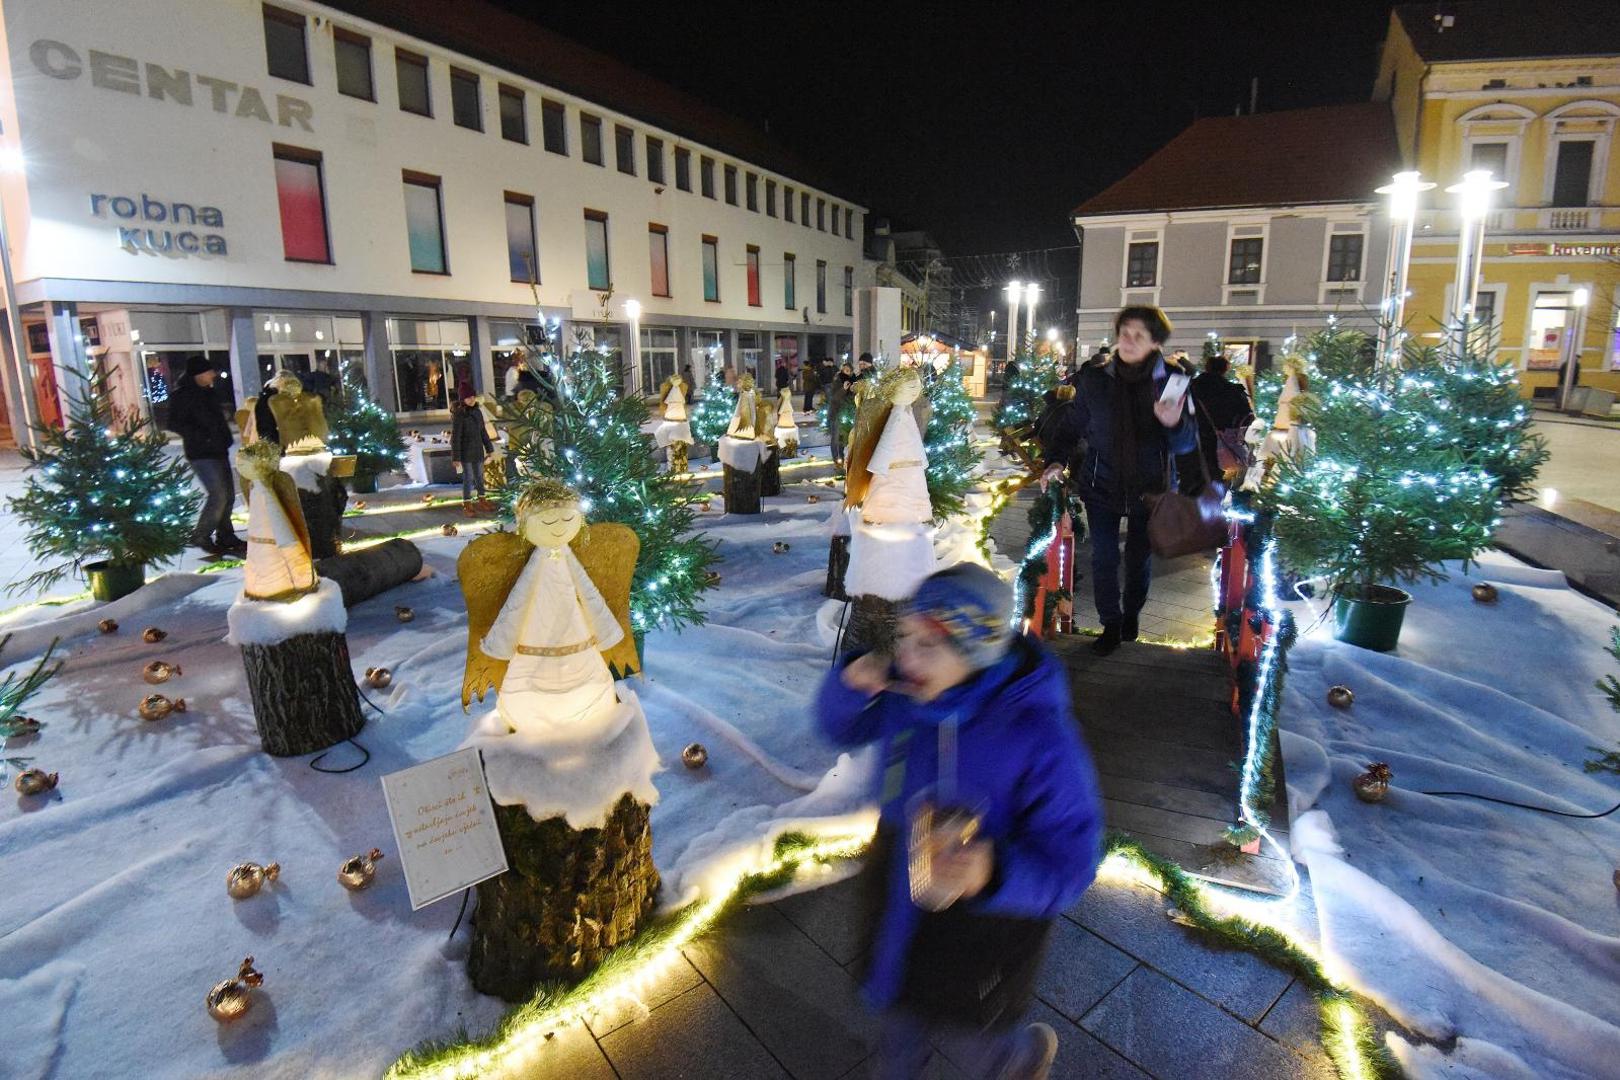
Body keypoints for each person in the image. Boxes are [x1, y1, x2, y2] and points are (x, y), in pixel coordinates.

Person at [817, 563, 1103, 1080]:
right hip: (900, 888)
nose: (907, 655)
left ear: (975, 651)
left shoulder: (1039, 737)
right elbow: (837, 728)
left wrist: (994, 872)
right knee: (897, 1011)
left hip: (984, 921)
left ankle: (1016, 1061)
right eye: (905, 636)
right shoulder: (906, 699)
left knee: (973, 1033)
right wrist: (849, 687)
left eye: (931, 643)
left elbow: (1071, 859)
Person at [1037, 306, 1198, 656]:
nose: (1127, 340)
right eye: (1124, 332)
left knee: (1139, 560)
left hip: (1150, 490)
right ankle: (1110, 623)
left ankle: (1131, 617)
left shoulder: (1171, 382)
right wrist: (1054, 462)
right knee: (1104, 558)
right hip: (1101, 483)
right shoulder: (1095, 380)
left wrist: (1173, 422)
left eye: (1138, 335)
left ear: (1155, 342)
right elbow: (1070, 427)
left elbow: (1187, 443)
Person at [166, 357, 245, 557]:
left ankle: (226, 535)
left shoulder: (209, 393)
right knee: (218, 494)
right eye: (209, 371)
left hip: (218, 450)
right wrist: (202, 436)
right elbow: (174, 423)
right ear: (199, 374)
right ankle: (201, 534)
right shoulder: (183, 396)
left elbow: (216, 420)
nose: (214, 375)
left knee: (227, 495)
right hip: (201, 453)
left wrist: (223, 438)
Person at [1190, 352, 1255, 480]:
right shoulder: (1234, 391)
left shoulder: (1191, 387)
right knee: (1216, 476)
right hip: (1222, 440)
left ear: (1207, 367)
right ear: (1225, 369)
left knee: (1192, 477)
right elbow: (1247, 416)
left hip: (1192, 439)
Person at [451, 381, 494, 515]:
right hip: (465, 453)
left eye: (473, 397)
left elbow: (483, 432)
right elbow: (456, 437)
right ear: (463, 399)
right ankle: (467, 503)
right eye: (468, 397)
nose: (472, 399)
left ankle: (482, 499)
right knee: (468, 478)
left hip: (477, 451)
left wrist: (489, 448)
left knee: (480, 477)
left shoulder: (478, 412)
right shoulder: (459, 415)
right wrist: (456, 457)